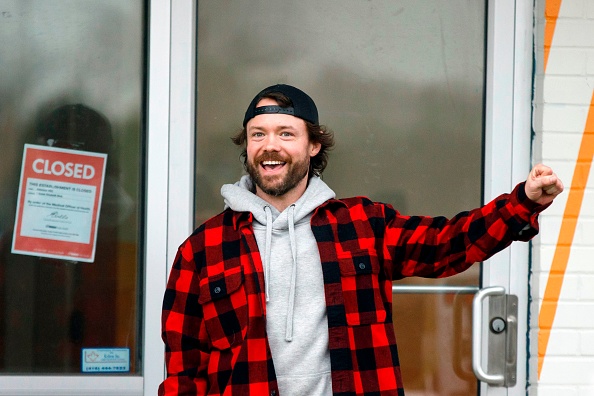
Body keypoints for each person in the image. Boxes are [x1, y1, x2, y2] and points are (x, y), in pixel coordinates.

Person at [159, 84, 563, 396]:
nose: (270, 146)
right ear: (247, 147)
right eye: (258, 134)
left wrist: (522, 202)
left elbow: (448, 243)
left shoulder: (363, 225)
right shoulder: (202, 251)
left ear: (313, 145)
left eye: (286, 133)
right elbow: (183, 371)